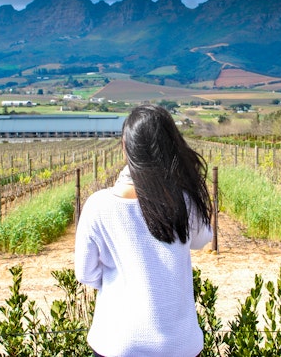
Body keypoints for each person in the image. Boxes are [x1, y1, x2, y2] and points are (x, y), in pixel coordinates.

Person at [74, 104, 213, 357]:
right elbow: (202, 239)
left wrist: (124, 279)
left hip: (117, 343)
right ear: (172, 146)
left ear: (126, 146)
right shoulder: (182, 200)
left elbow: (86, 274)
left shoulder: (99, 205)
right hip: (180, 346)